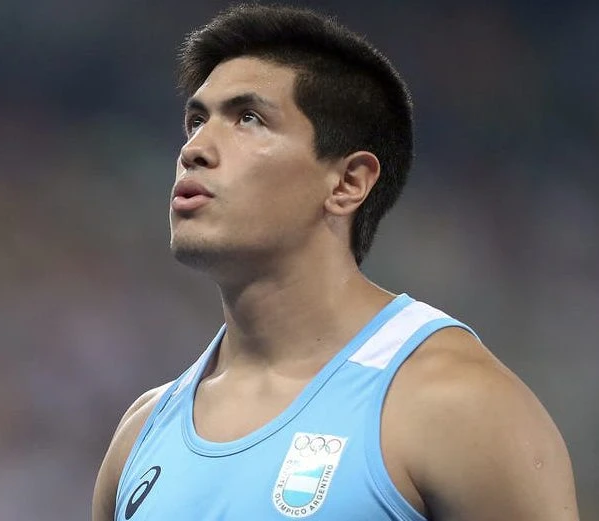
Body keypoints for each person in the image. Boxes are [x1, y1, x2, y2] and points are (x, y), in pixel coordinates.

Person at [92, 4, 579, 520]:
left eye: (249, 118)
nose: (195, 149)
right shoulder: (140, 435)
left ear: (348, 182)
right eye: (195, 121)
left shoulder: (453, 402)